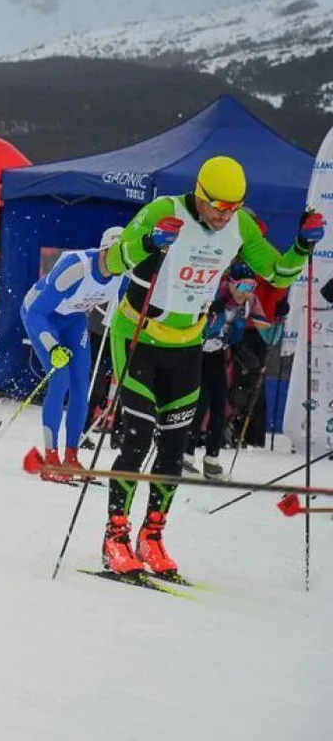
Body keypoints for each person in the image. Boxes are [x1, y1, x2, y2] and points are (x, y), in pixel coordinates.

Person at [97, 155, 320, 578]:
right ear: (200, 196)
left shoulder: (240, 225)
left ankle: (153, 535)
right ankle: (115, 536)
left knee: (174, 448)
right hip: (139, 335)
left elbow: (277, 271)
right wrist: (146, 245)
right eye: (218, 206)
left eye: (233, 207)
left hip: (187, 346)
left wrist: (303, 246)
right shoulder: (164, 210)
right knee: (138, 438)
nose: (224, 216)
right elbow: (109, 263)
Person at [19, 227, 124, 480]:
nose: (119, 262)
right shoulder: (76, 267)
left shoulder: (124, 274)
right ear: (104, 249)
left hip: (74, 319)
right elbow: (36, 312)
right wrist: (53, 347)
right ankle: (51, 456)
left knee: (81, 385)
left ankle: (72, 457)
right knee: (60, 380)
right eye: (115, 254)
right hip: (42, 316)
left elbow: (121, 316)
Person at [185, 262, 267, 478]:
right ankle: (186, 456)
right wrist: (208, 311)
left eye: (251, 288)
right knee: (199, 403)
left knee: (220, 405)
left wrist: (280, 314)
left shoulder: (248, 303)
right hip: (195, 352)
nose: (246, 293)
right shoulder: (213, 294)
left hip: (217, 353)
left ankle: (212, 459)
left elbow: (267, 328)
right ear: (230, 283)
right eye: (241, 287)